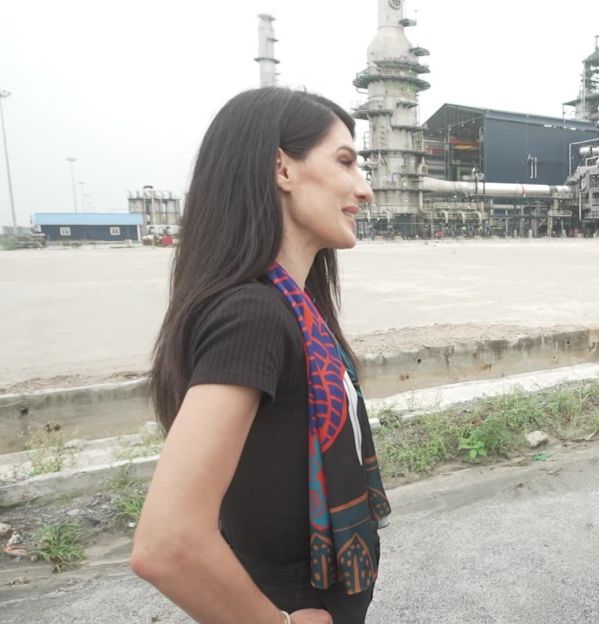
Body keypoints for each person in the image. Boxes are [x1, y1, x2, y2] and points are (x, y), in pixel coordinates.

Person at [131, 87, 390, 624]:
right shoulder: (255, 314)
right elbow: (168, 543)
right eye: (345, 161)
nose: (364, 190)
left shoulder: (296, 307)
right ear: (282, 168)